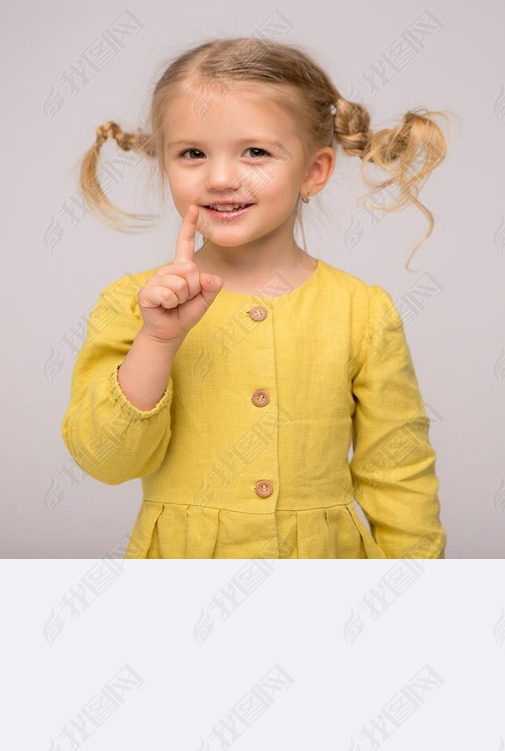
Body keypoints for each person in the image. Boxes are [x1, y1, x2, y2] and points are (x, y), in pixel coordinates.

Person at [61, 37, 453, 558]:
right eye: (193, 153)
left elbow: (399, 472)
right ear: (167, 167)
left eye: (256, 152)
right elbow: (106, 459)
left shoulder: (362, 311)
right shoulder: (135, 303)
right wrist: (157, 340)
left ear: (313, 172)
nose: (221, 177)